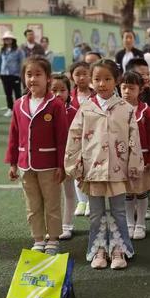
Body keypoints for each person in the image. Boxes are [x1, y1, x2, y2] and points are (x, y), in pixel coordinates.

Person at [65, 59, 143, 269]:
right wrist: (74, 164)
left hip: (119, 168)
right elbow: (74, 136)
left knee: (119, 211)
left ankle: (119, 249)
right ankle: (99, 248)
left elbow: (134, 138)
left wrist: (135, 165)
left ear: (116, 80)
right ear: (91, 81)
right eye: (97, 79)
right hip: (93, 169)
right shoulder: (86, 108)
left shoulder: (125, 108)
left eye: (107, 79)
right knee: (96, 212)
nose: (102, 84)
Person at [5, 56, 67, 255]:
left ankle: (54, 238)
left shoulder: (55, 104)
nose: (33, 79)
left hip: (49, 164)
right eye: (29, 74)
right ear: (23, 77)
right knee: (32, 205)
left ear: (48, 78)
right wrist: (13, 163)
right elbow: (14, 135)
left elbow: (62, 138)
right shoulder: (19, 104)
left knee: (52, 203)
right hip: (25, 164)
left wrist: (61, 165)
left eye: (38, 74)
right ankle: (38, 238)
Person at [120, 71, 150, 240]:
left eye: (131, 88)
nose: (127, 91)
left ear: (140, 89)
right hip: (122, 160)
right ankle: (129, 223)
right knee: (127, 193)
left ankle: (141, 223)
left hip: (143, 159)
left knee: (141, 192)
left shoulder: (147, 111)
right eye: (124, 87)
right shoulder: (115, 109)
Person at [50, 73, 77, 240]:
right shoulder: (44, 110)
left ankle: (67, 224)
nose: (58, 94)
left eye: (62, 90)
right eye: (54, 90)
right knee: (51, 194)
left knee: (68, 191)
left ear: (69, 92)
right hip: (49, 159)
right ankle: (53, 226)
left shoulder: (74, 111)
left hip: (68, 158)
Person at [69, 61, 95, 217]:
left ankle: (92, 201)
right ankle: (82, 201)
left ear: (90, 75)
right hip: (74, 140)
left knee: (92, 170)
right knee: (77, 170)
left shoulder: (96, 94)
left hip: (93, 139)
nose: (81, 77)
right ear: (72, 77)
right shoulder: (68, 96)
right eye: (77, 74)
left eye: (85, 74)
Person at [0, 31, 24, 117]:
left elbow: (22, 62)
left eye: (8, 39)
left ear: (12, 40)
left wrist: (21, 74)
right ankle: (10, 109)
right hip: (4, 75)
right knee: (8, 93)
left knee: (17, 93)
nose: (7, 40)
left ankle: (20, 109)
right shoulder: (1, 50)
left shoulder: (19, 50)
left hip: (15, 75)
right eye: (5, 39)